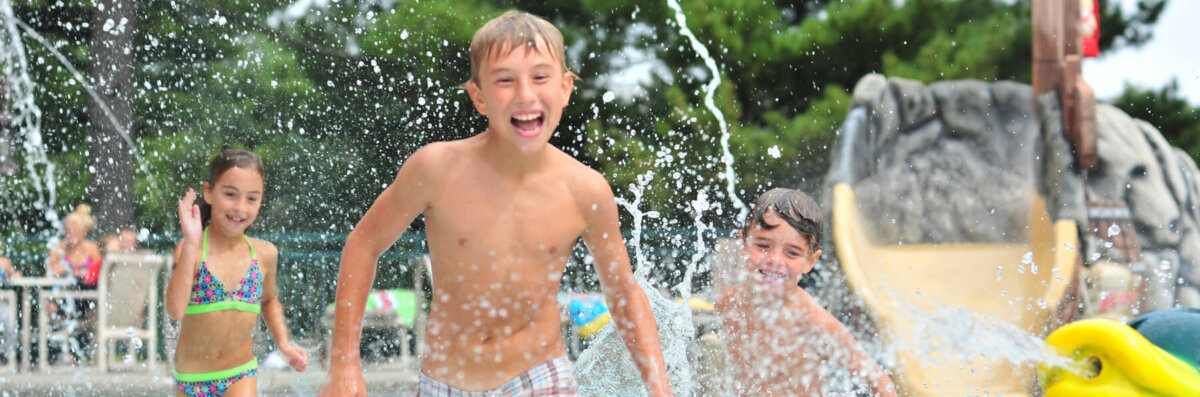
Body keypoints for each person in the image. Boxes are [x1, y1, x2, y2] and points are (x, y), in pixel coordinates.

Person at [320, 10, 673, 397]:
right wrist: (345, 366)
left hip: (541, 377)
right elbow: (364, 244)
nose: (525, 95)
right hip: (446, 382)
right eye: (505, 80)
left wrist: (660, 388)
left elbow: (624, 293)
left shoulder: (585, 190)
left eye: (540, 77)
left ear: (565, 88)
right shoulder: (437, 169)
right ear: (480, 96)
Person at [717, 188, 897, 396]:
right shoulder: (729, 303)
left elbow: (881, 383)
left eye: (792, 253)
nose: (775, 260)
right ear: (743, 243)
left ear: (810, 260)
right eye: (764, 246)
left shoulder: (813, 321)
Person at [165, 149, 308, 397]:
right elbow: (175, 310)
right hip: (191, 380)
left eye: (252, 199)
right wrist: (189, 242)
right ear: (208, 192)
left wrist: (283, 343)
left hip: (240, 374)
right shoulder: (192, 249)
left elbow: (269, 300)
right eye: (230, 195)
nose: (240, 207)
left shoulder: (264, 254)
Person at [47, 204, 103, 288]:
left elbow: (99, 270)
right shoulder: (58, 248)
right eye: (70, 232)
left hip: (86, 289)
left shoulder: (91, 247)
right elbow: (51, 271)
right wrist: (68, 271)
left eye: (76, 232)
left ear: (84, 233)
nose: (72, 236)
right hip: (62, 288)